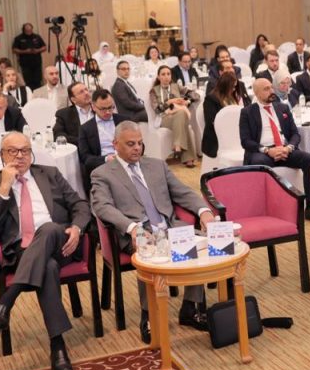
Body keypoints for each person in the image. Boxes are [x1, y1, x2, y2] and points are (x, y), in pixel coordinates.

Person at [0, 132, 89, 370]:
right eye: (13, 151)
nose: (20, 156)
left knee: (48, 228)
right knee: (47, 267)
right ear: (1, 155)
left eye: (25, 150)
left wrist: (77, 228)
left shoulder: (50, 174)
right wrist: (4, 188)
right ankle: (58, 346)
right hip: (21, 251)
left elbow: (80, 205)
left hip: (61, 243)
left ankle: (7, 300)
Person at [91, 122, 216, 342]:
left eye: (140, 143)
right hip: (137, 232)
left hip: (169, 227)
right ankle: (149, 315)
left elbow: (182, 192)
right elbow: (102, 207)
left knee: (195, 243)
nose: (137, 148)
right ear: (115, 144)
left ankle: (191, 307)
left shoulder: (157, 165)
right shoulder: (102, 174)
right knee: (146, 249)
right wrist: (132, 228)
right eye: (130, 144)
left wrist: (204, 211)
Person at [239, 78, 310, 217]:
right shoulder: (248, 112)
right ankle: (265, 209)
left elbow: (295, 134)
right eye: (266, 89)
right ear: (256, 93)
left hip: (285, 149)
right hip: (263, 152)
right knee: (259, 164)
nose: (271, 91)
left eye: (271, 87)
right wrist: (268, 150)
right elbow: (245, 141)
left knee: (309, 160)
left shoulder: (282, 108)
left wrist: (289, 147)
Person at [150, 65, 198, 166]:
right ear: (158, 77)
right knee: (182, 117)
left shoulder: (176, 86)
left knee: (181, 115)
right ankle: (187, 157)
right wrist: (169, 102)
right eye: (163, 74)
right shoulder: (154, 90)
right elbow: (157, 110)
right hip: (164, 118)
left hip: (179, 116)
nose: (166, 77)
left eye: (168, 74)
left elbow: (196, 95)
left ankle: (177, 146)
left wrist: (188, 101)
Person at [77, 89, 128, 178]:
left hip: (126, 162)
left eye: (110, 107)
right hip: (103, 166)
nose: (108, 112)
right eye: (103, 109)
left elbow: (140, 145)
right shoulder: (85, 129)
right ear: (93, 107)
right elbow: (86, 158)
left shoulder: (124, 121)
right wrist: (106, 159)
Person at [201, 70, 247, 160]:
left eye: (235, 87)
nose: (234, 89)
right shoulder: (211, 99)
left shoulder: (233, 97)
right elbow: (211, 121)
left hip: (234, 133)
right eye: (232, 87)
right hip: (217, 137)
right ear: (224, 85)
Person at [12, 22, 47, 89]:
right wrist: (25, 51)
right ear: (24, 30)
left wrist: (37, 50)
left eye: (30, 30)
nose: (29, 32)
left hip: (37, 63)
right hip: (25, 64)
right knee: (28, 81)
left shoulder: (37, 37)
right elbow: (14, 50)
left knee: (38, 80)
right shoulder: (18, 38)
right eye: (27, 30)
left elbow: (44, 47)